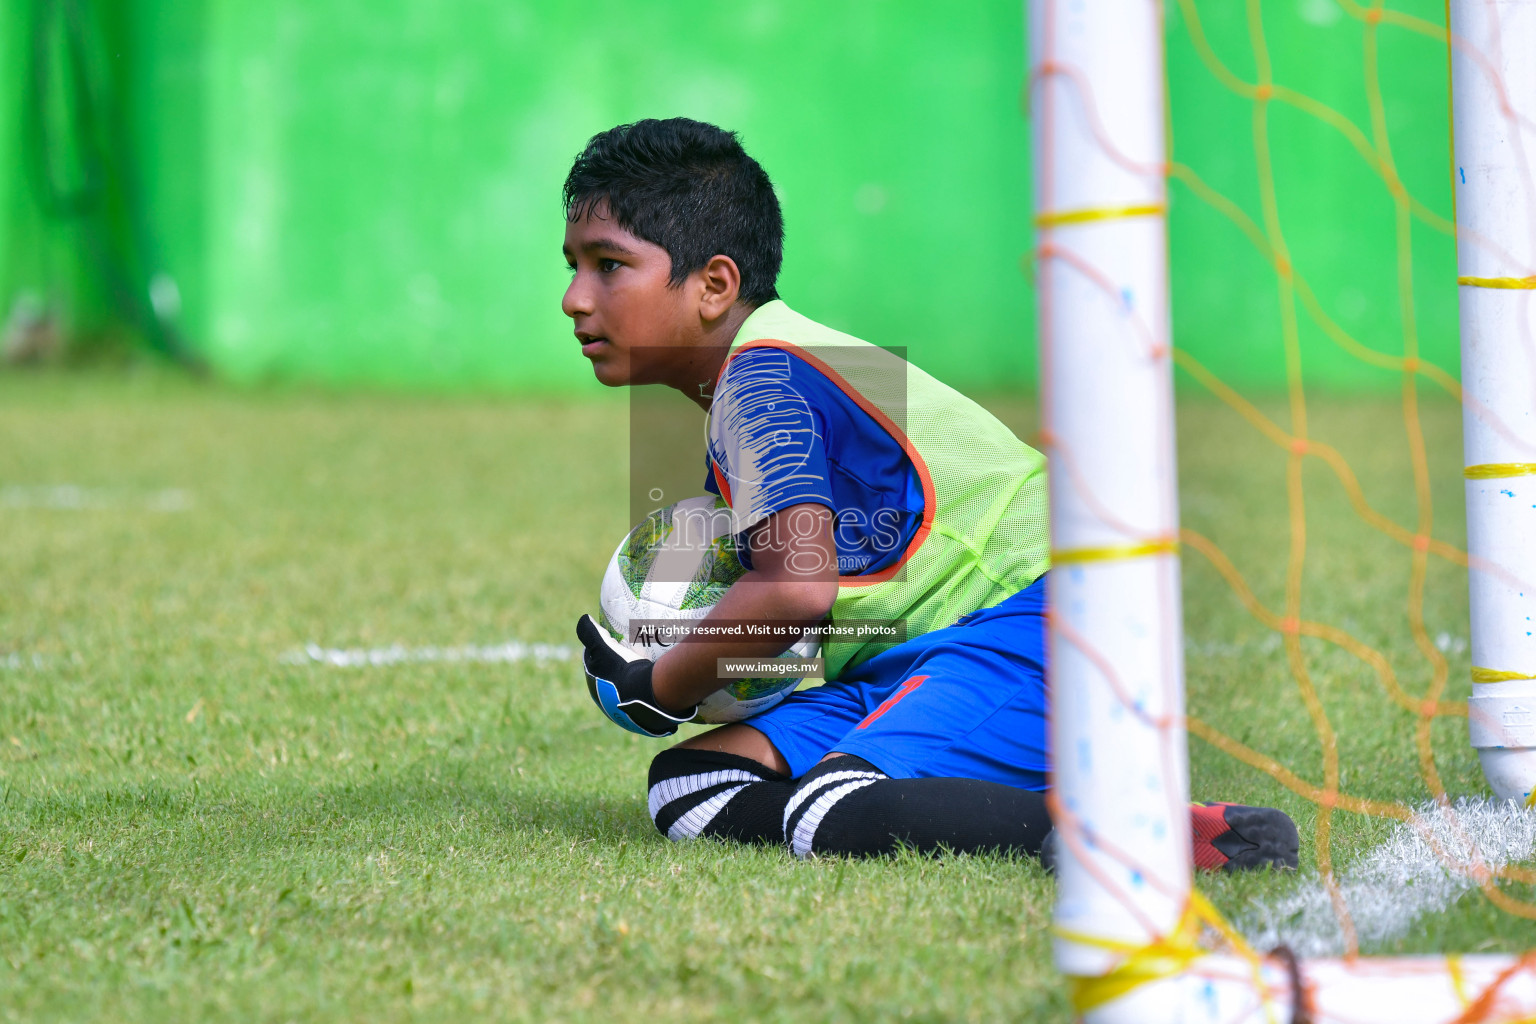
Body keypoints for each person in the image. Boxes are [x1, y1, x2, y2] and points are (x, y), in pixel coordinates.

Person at [562, 117, 1297, 870]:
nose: (574, 298)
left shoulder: (760, 384)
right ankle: (942, 788)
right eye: (573, 266)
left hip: (1049, 622)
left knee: (829, 807)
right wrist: (700, 658)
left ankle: (1145, 837)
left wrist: (663, 681)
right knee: (693, 786)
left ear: (715, 284)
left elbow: (796, 592)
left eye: (608, 265)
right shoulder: (778, 364)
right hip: (922, 654)